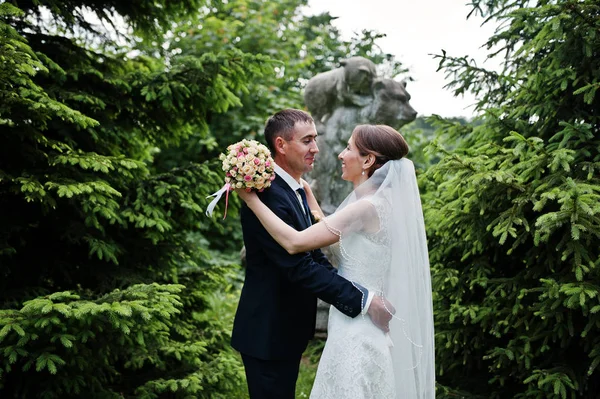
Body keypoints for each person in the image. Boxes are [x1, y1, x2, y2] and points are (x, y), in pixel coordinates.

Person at [237, 124, 435, 398]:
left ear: (367, 160)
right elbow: (333, 232)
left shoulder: (364, 208)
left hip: (357, 324)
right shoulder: (379, 202)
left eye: (349, 148)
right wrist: (310, 200)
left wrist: (251, 200)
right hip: (360, 318)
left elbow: (296, 243)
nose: (340, 155)